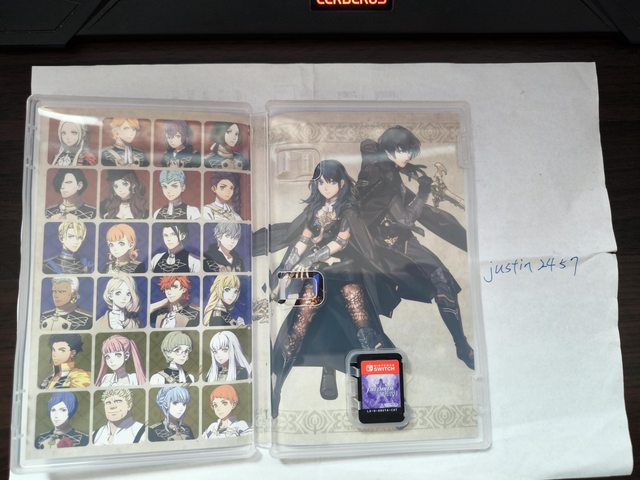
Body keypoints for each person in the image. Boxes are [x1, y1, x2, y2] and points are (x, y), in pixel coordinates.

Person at [268, 159, 395, 417]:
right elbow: (302, 241)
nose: (325, 187)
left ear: (342, 183)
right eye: (320, 182)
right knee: (298, 328)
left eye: (330, 182)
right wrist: (286, 272)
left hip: (346, 271)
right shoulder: (315, 209)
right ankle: (277, 389)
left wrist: (309, 260)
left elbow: (340, 242)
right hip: (321, 275)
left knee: (365, 332)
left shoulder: (348, 209)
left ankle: (383, 402)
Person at [356, 125, 474, 369]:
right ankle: (461, 345)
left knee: (443, 280)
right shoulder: (386, 180)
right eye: (404, 151)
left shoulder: (376, 161)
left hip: (400, 241)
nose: (409, 156)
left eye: (410, 151)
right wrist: (424, 191)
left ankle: (461, 346)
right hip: (381, 249)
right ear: (390, 149)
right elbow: (406, 220)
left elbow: (368, 144)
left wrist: (403, 167)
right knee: (440, 282)